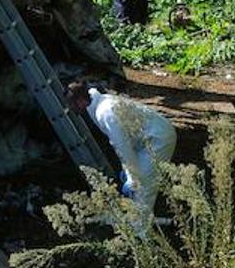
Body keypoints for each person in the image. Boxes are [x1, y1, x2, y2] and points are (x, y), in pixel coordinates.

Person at [67, 82, 176, 223]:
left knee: (144, 184)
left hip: (158, 139)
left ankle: (141, 230)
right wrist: (129, 171)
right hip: (145, 139)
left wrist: (132, 176)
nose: (70, 108)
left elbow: (123, 146)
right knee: (139, 181)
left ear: (81, 100)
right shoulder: (95, 103)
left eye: (72, 104)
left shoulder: (106, 112)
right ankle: (138, 219)